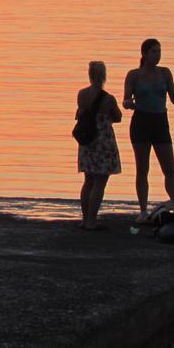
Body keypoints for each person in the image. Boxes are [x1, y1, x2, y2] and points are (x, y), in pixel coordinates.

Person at [123, 38, 174, 223]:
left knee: (170, 170)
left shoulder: (165, 73)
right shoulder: (134, 75)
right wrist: (128, 103)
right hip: (141, 122)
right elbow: (126, 100)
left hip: (160, 122)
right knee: (142, 169)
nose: (157, 55)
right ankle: (143, 210)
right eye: (154, 52)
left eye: (159, 51)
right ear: (144, 54)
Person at [76, 61, 122, 230]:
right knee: (99, 183)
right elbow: (117, 117)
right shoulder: (108, 98)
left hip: (87, 141)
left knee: (88, 181)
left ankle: (85, 218)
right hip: (103, 141)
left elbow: (79, 113)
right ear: (103, 76)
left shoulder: (81, 94)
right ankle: (91, 221)